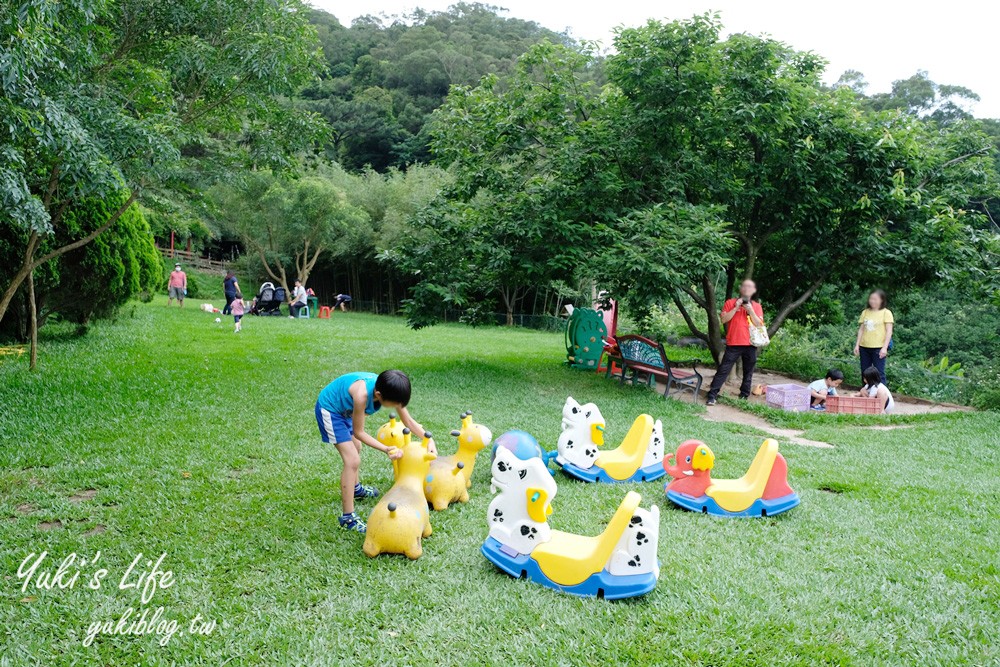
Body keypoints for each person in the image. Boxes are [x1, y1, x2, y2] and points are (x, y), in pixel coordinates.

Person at [315, 370, 434, 533]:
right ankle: (348, 518)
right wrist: (386, 448)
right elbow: (359, 432)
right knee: (352, 460)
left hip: (345, 410)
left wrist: (428, 439)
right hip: (330, 410)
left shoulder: (390, 388)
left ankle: (355, 489)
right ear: (378, 394)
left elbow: (407, 421)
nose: (396, 407)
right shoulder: (361, 395)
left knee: (356, 448)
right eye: (394, 404)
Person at [705, 279, 765, 406]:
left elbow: (759, 324)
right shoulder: (730, 302)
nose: (747, 290)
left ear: (753, 291)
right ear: (740, 289)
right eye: (744, 287)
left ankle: (744, 396)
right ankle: (712, 395)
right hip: (734, 343)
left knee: (748, 371)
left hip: (751, 344)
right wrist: (736, 307)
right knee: (723, 370)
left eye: (750, 288)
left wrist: (750, 311)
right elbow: (724, 319)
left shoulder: (757, 306)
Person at [854, 289, 894, 386]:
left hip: (879, 347)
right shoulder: (865, 312)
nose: (872, 301)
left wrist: (884, 348)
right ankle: (866, 393)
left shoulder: (886, 312)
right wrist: (857, 345)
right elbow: (861, 329)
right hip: (864, 346)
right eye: (871, 299)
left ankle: (882, 395)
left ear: (882, 300)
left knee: (879, 372)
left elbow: (889, 331)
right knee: (865, 372)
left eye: (875, 299)